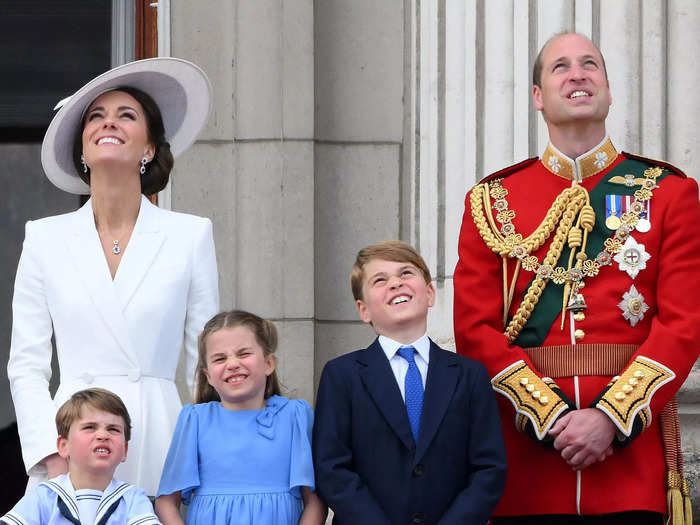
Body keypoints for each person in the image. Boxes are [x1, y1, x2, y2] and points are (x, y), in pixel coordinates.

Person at [454, 32, 700, 524]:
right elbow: (473, 331)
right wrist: (551, 416)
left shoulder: (668, 192)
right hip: (528, 469)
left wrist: (610, 418)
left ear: (607, 88)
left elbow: (683, 325)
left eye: (590, 64)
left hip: (628, 469)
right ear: (538, 96)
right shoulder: (491, 200)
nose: (578, 73)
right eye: (560, 66)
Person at [8, 58, 220, 497]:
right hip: (72, 441)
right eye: (96, 116)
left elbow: (205, 360)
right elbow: (26, 364)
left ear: (149, 148)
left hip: (161, 437)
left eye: (127, 115)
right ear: (82, 149)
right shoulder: (45, 238)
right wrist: (49, 450)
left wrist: (207, 450)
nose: (110, 123)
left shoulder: (190, 235)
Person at [313, 240, 507, 524]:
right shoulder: (342, 375)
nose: (395, 283)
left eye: (406, 274)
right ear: (363, 309)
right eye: (380, 280)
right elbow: (332, 468)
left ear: (429, 293)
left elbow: (489, 468)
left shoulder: (469, 375)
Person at [154, 310, 326, 525]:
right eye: (220, 358)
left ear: (268, 364)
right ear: (208, 376)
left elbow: (316, 501)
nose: (232, 363)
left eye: (243, 353)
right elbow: (166, 502)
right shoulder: (195, 419)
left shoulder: (295, 416)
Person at [1, 388, 160, 525]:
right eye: (90, 427)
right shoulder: (44, 496)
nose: (103, 435)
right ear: (64, 446)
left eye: (113, 429)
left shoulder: (132, 499)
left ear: (125, 450)